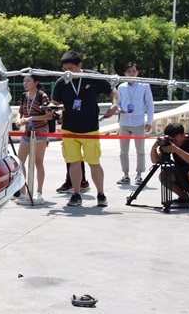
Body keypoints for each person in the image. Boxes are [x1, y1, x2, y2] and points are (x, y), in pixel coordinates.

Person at [50, 50, 117, 208]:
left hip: (90, 128)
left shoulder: (92, 77)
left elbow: (112, 91)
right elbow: (55, 102)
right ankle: (76, 194)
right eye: (64, 69)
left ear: (80, 65)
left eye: (71, 68)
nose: (67, 72)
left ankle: (101, 194)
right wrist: (50, 107)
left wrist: (114, 105)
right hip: (69, 129)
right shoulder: (61, 82)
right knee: (74, 162)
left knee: (94, 162)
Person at [115, 61, 154, 186]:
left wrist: (149, 121)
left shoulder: (144, 85)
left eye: (133, 71)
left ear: (137, 72)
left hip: (138, 122)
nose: (131, 74)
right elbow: (118, 103)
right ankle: (125, 174)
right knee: (123, 151)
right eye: (128, 71)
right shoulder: (121, 86)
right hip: (124, 122)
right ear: (125, 73)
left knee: (140, 150)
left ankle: (139, 174)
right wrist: (119, 109)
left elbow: (149, 104)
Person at [16, 73, 53, 203]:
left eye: (28, 81)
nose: (25, 83)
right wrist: (19, 119)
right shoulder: (24, 96)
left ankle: (39, 193)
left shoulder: (42, 96)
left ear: (36, 82)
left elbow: (49, 115)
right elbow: (20, 112)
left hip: (40, 132)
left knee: (38, 162)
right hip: (27, 132)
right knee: (20, 161)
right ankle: (23, 192)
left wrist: (31, 118)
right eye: (24, 81)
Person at [150, 123, 189, 206]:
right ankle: (184, 198)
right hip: (185, 176)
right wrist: (154, 148)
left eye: (175, 137)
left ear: (183, 135)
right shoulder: (170, 143)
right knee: (164, 175)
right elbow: (155, 160)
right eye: (170, 137)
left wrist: (176, 150)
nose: (173, 140)